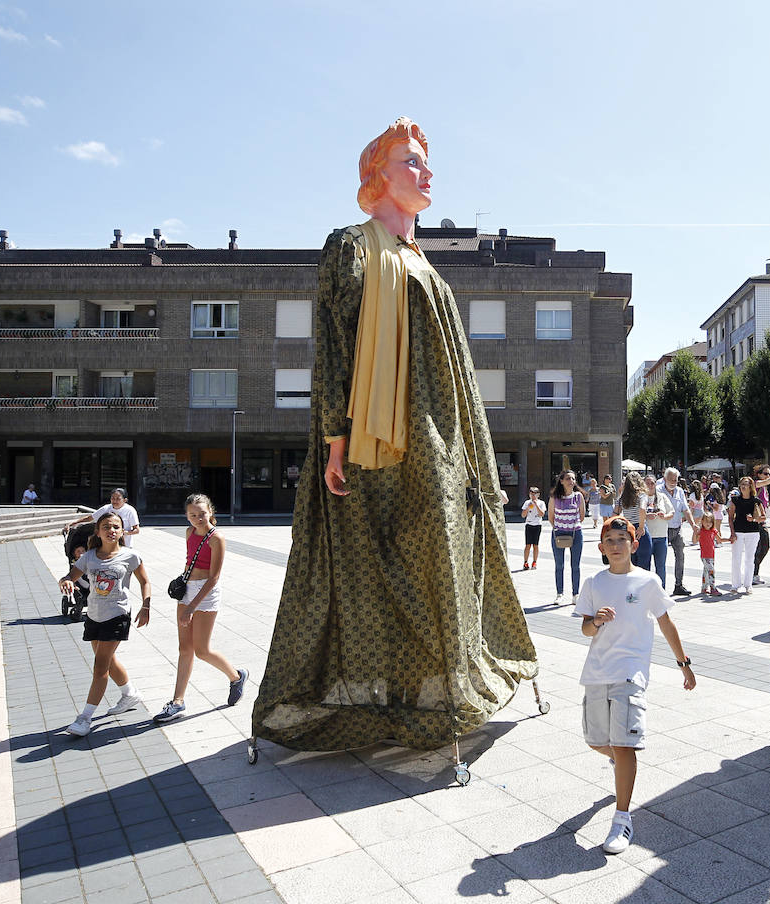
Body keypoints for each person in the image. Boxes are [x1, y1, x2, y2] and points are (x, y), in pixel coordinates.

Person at [251, 118, 538, 752]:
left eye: (426, 163)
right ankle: (371, 703)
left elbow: (455, 370)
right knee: (367, 572)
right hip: (375, 442)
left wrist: (473, 451)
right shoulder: (352, 248)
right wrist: (334, 440)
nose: (427, 173)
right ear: (377, 176)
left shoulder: (419, 260)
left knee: (440, 566)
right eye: (412, 162)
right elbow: (333, 346)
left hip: (438, 442)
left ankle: (438, 696)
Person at [575, 516, 695, 855]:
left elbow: (667, 623)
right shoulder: (594, 582)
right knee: (597, 741)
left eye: (621, 539)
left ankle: (622, 818)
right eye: (609, 540)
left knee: (624, 745)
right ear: (601, 547)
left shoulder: (647, 582)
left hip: (630, 673)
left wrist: (684, 664)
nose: (615, 546)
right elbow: (585, 629)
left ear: (634, 544)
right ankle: (619, 764)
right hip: (597, 672)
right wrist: (595, 621)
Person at [153, 494, 248, 724]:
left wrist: (192, 607)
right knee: (184, 648)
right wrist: (184, 594)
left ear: (211, 512)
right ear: (186, 515)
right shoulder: (189, 533)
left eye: (202, 514)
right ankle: (177, 701)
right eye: (192, 515)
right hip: (188, 590)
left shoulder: (217, 538)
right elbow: (188, 562)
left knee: (202, 650)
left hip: (206, 593)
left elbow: (214, 577)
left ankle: (236, 677)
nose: (197, 519)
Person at [57, 510, 151, 737]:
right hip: (94, 615)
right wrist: (66, 582)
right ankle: (130, 694)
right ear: (98, 532)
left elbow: (145, 581)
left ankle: (84, 718)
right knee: (108, 662)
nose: (112, 530)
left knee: (100, 668)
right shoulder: (88, 557)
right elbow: (69, 576)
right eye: (107, 527)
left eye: (116, 527)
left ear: (122, 532)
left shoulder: (131, 556)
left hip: (117, 615)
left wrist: (146, 606)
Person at [549, 470, 586, 605]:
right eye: (568, 479)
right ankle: (559, 594)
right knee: (559, 565)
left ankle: (575, 594)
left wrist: (572, 525)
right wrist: (560, 526)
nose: (572, 481)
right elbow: (550, 516)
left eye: (573, 479)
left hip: (576, 533)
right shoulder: (554, 497)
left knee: (575, 565)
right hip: (558, 533)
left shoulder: (578, 496)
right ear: (562, 481)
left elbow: (581, 516)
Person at [657, 467, 693, 596]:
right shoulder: (658, 491)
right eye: (671, 479)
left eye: (676, 480)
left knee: (680, 556)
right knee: (661, 559)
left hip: (677, 528)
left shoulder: (679, 491)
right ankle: (659, 587)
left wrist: (693, 524)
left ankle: (679, 585)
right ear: (665, 479)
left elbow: (686, 509)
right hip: (662, 529)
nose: (673, 482)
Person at [65, 487, 141, 547]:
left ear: (125, 500)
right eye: (113, 498)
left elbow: (136, 530)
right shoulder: (106, 508)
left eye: (118, 499)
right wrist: (73, 523)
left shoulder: (130, 510)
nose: (115, 501)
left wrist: (123, 532)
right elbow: (90, 518)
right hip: (107, 545)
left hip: (124, 545)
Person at [728, 476, 765, 594]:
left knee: (749, 559)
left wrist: (754, 519)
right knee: (736, 558)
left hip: (753, 532)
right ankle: (735, 585)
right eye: (742, 484)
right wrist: (732, 533)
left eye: (746, 484)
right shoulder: (735, 500)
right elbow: (730, 517)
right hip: (738, 531)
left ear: (751, 486)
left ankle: (748, 584)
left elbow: (763, 517)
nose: (743, 486)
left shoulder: (756, 501)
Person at [750, 464, 770, 585]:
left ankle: (754, 573)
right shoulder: (755, 484)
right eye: (765, 474)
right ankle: (753, 574)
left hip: (761, 520)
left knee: (763, 546)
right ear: (759, 474)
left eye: (769, 474)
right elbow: (764, 482)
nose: (768, 476)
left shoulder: (763, 488)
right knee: (761, 546)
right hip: (755, 521)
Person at [639, 474, 673, 588]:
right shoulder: (641, 497)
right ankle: (645, 591)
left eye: (652, 483)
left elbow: (672, 513)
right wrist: (646, 516)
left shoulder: (662, 496)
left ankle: (661, 591)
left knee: (661, 566)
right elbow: (635, 515)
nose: (650, 485)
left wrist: (664, 516)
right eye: (647, 483)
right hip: (646, 537)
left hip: (661, 536)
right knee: (645, 567)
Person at [520, 487, 546, 570]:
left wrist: (536, 505)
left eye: (534, 494)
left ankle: (534, 562)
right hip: (529, 524)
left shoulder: (541, 503)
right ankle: (525, 562)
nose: (533, 496)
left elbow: (542, 514)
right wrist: (528, 508)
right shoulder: (527, 502)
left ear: (538, 495)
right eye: (531, 494)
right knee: (528, 545)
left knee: (535, 545)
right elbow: (523, 515)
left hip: (537, 525)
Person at [697, 514, 720, 596]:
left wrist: (730, 539)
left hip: (711, 555)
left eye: (710, 522)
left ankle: (704, 587)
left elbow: (719, 540)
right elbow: (694, 540)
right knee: (711, 570)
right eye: (706, 521)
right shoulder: (701, 532)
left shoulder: (713, 531)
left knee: (706, 571)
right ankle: (713, 587)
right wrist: (695, 532)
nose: (708, 524)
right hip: (705, 555)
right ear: (702, 521)